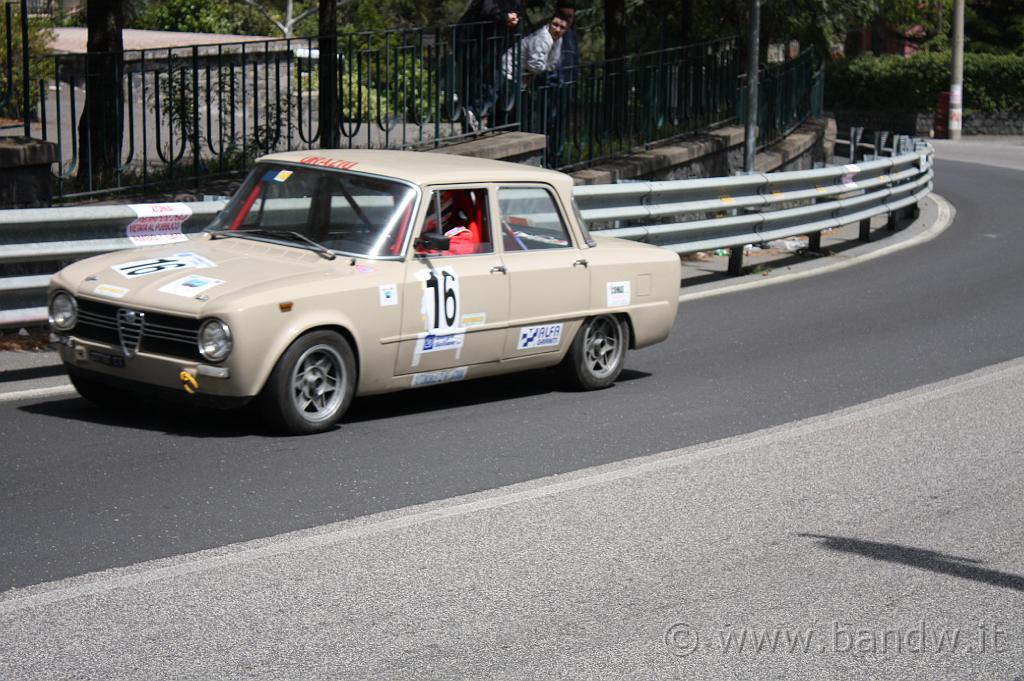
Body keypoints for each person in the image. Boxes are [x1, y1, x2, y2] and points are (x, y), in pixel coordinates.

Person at [457, 0, 524, 132]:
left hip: (494, 45)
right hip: (477, 44)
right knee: (480, 82)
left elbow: (517, 10)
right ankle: (472, 114)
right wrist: (505, 17)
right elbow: (488, 10)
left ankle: (477, 116)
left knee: (491, 84)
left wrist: (514, 18)